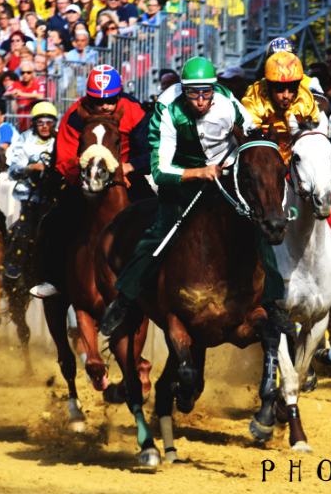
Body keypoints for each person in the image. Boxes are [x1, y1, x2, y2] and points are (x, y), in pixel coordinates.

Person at [100, 56, 294, 336]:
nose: (200, 100)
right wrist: (199, 173)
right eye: (193, 93)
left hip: (224, 173)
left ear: (215, 89)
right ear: (183, 89)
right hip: (181, 177)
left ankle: (272, 303)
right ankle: (125, 298)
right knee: (161, 232)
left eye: (206, 92)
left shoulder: (228, 102)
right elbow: (160, 171)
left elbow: (252, 134)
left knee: (257, 226)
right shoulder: (167, 107)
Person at [28, 65, 149, 298]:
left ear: (120, 94)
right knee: (55, 221)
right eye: (97, 100)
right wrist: (89, 175)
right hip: (85, 180)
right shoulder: (74, 115)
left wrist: (126, 169)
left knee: (158, 216)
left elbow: (150, 151)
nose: (104, 105)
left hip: (128, 178)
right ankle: (55, 280)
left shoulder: (135, 109)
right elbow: (64, 160)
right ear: (88, 98)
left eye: (111, 99)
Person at [3, 101, 60, 280]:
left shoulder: (61, 139)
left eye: (49, 121)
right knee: (26, 226)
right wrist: (32, 168)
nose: (44, 126)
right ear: (33, 123)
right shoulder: (24, 140)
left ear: (55, 123)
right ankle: (15, 263)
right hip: (31, 196)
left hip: (57, 195)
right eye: (40, 121)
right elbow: (13, 171)